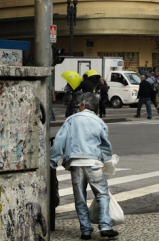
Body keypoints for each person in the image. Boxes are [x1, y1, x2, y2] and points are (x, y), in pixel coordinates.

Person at [50, 92, 119, 239]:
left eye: (79, 104)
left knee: (80, 198)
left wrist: (52, 161)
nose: (78, 106)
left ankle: (86, 230)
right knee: (102, 195)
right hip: (94, 163)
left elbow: (59, 142)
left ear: (84, 105)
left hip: (75, 163)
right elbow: (106, 147)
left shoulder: (71, 120)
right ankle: (105, 226)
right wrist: (107, 164)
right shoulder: (99, 122)